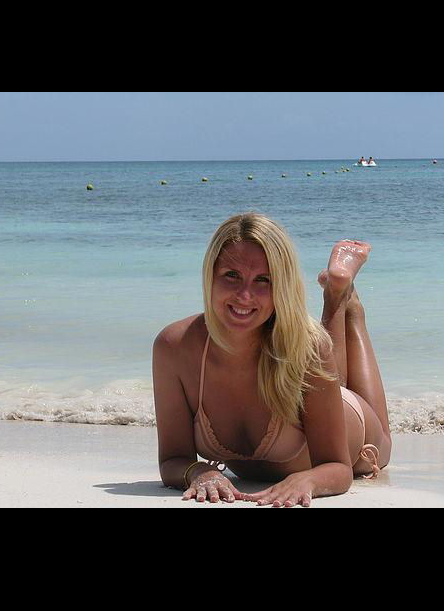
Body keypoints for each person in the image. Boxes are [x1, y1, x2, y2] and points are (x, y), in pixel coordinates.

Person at [152, 213, 391, 506]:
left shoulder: (309, 349)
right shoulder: (174, 347)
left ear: (282, 285)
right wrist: (198, 472)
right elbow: (173, 460)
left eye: (263, 280)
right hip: (311, 382)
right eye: (231, 275)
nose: (245, 295)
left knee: (324, 363)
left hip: (352, 422)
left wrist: (308, 480)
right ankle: (337, 294)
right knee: (317, 354)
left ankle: (343, 300)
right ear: (210, 275)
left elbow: (338, 469)